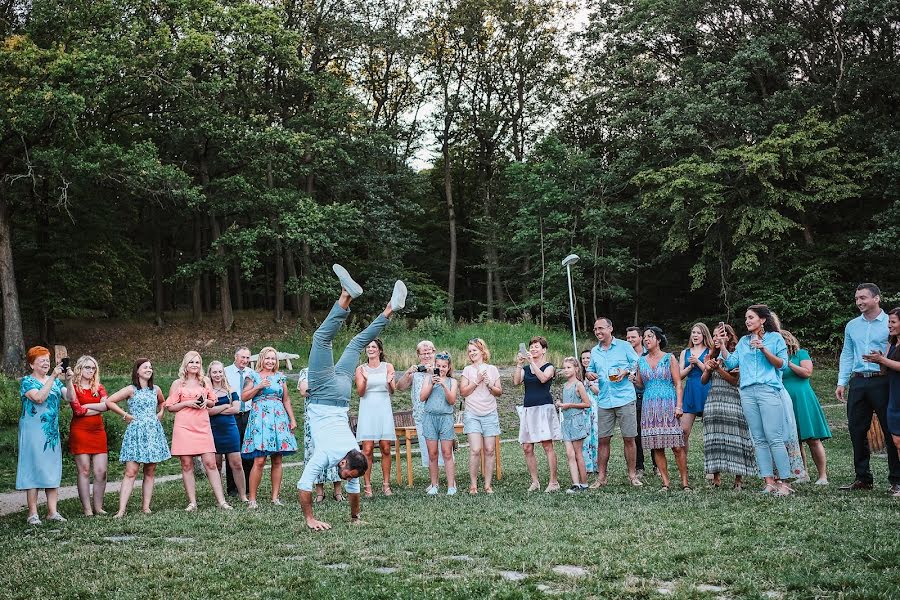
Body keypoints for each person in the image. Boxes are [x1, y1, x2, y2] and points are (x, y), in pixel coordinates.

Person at [297, 265, 406, 531]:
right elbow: (303, 485)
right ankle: (346, 297)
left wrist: (355, 516)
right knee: (321, 339)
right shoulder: (329, 456)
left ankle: (390, 308)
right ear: (347, 462)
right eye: (348, 475)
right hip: (325, 393)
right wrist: (309, 519)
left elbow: (354, 494)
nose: (347, 479)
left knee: (356, 344)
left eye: (349, 478)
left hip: (342, 395)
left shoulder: (354, 456)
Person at [715, 305, 794, 496]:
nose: (747, 321)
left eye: (751, 317)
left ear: (762, 320)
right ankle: (768, 482)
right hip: (747, 392)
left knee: (774, 437)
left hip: (768, 390)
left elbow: (782, 365)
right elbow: (732, 363)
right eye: (746, 318)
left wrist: (764, 349)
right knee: (758, 439)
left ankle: (783, 482)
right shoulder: (743, 341)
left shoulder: (775, 339)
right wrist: (723, 346)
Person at [835, 283, 900, 493]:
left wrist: (881, 361)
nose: (859, 302)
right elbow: (847, 354)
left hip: (883, 381)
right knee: (856, 430)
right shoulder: (852, 325)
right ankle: (863, 478)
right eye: (857, 299)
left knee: (890, 430)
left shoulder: (889, 324)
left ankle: (896, 479)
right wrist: (842, 381)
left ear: (876, 298)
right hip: (859, 380)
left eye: (863, 298)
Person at [17, 346, 85, 525]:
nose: (46, 363)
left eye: (48, 360)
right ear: (32, 364)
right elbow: (39, 398)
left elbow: (71, 398)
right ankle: (32, 513)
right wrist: (54, 377)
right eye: (41, 361)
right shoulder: (27, 381)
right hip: (32, 432)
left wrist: (68, 381)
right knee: (33, 468)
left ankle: (52, 511)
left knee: (51, 468)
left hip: (50, 433)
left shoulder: (55, 382)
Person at [166, 351, 232, 511]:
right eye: (191, 362)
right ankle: (192, 502)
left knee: (210, 462)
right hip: (184, 426)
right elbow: (170, 406)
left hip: (202, 425)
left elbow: (212, 401)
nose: (195, 365)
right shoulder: (178, 384)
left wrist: (206, 403)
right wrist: (187, 403)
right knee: (187, 464)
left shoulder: (205, 381)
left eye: (197, 362)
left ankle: (222, 501)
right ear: (185, 365)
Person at [105, 358, 171, 518]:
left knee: (150, 470)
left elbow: (163, 402)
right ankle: (121, 510)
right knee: (131, 471)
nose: (149, 369)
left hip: (153, 432)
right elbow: (109, 401)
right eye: (145, 367)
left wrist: (161, 413)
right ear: (137, 371)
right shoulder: (131, 389)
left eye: (150, 367)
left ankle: (146, 507)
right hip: (136, 432)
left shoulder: (156, 389)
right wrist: (125, 415)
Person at [585, 318, 641, 488]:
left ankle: (632, 475)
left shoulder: (624, 346)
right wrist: (589, 374)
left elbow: (636, 362)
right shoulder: (595, 351)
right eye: (595, 329)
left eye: (601, 328)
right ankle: (601, 478)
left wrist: (626, 371)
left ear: (610, 328)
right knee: (603, 439)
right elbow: (590, 370)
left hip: (625, 397)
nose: (597, 331)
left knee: (629, 438)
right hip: (604, 400)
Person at [242, 346, 298, 508]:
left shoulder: (280, 377)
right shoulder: (253, 375)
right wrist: (259, 387)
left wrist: (292, 419)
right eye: (267, 358)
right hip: (260, 420)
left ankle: (275, 497)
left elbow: (286, 399)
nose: (270, 361)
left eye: (273, 358)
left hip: (278, 419)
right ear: (261, 359)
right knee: (259, 460)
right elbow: (244, 396)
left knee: (277, 459)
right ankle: (252, 499)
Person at [701, 325, 756, 490]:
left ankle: (738, 479)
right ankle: (716, 478)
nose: (716, 338)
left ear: (728, 337)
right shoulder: (711, 354)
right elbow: (703, 381)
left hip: (732, 399)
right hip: (713, 399)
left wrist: (718, 368)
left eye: (719, 335)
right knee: (714, 438)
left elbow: (734, 381)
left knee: (735, 437)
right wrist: (708, 369)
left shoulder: (735, 355)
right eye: (714, 335)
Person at [636, 327, 689, 491]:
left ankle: (685, 482)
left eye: (650, 336)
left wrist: (679, 405)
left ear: (658, 339)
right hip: (649, 405)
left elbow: (678, 383)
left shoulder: (669, 358)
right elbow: (640, 383)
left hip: (668, 403)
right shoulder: (641, 361)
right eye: (644, 337)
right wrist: (631, 378)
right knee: (656, 445)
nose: (646, 339)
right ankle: (665, 482)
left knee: (677, 446)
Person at [781, 330, 831, 485]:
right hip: (786, 400)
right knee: (795, 440)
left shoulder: (801, 354)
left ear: (787, 341)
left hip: (803, 399)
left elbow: (807, 372)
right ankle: (803, 474)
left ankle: (822, 476)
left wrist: (788, 362)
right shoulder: (775, 359)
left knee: (812, 439)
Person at [513, 336, 561, 492]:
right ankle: (535, 481)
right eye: (531, 347)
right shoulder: (526, 368)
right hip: (529, 409)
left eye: (536, 347)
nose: (533, 349)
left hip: (544, 408)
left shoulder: (549, 366)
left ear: (544, 350)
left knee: (547, 445)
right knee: (527, 447)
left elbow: (543, 379)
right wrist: (520, 364)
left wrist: (531, 362)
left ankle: (554, 482)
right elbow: (515, 382)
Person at [66, 355, 111, 516]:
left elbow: (107, 406)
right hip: (80, 432)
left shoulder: (98, 387)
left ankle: (98, 507)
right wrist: (96, 408)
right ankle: (87, 509)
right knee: (84, 470)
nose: (91, 370)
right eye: (87, 367)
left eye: (93, 368)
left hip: (98, 432)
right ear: (79, 369)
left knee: (101, 472)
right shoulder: (74, 387)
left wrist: (87, 406)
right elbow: (77, 411)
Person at [864, 307, 900, 496]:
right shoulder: (892, 343)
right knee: (896, 440)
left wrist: (883, 361)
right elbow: (887, 370)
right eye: (889, 322)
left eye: (893, 322)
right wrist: (877, 360)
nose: (889, 326)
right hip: (893, 395)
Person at [355, 338, 397, 497]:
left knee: (386, 447)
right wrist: (365, 380)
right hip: (367, 408)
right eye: (368, 347)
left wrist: (389, 382)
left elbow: (392, 391)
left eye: (373, 347)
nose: (370, 349)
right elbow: (360, 393)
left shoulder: (388, 366)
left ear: (380, 350)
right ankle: (367, 486)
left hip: (383, 407)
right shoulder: (360, 369)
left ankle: (386, 485)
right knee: (367, 449)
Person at [460, 338, 502, 494]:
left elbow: (499, 392)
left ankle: (487, 485)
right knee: (475, 449)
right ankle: (473, 485)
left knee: (490, 450)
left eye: (474, 350)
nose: (471, 353)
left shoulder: (492, 369)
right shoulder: (467, 370)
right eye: (469, 351)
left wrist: (490, 383)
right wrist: (476, 381)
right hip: (472, 414)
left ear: (483, 351)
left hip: (490, 413)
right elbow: (463, 392)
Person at [297, 369, 344, 503]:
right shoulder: (306, 371)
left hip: (332, 417)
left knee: (335, 452)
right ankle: (319, 492)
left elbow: (339, 391)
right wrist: (325, 389)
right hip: (313, 420)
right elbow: (303, 391)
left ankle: (338, 491)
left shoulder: (333, 370)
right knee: (315, 453)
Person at [396, 340, 444, 469]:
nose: (427, 356)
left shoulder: (441, 367)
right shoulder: (416, 371)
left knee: (444, 448)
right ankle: (433, 479)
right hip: (421, 415)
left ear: (434, 352)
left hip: (439, 414)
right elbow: (400, 387)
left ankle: (448, 477)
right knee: (427, 449)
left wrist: (432, 372)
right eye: (424, 353)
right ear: (418, 355)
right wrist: (407, 373)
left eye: (429, 353)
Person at [207, 360, 247, 502]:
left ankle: (243, 495)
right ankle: (220, 496)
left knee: (236, 463)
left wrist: (217, 409)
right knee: (216, 464)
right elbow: (208, 412)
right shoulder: (207, 391)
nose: (217, 375)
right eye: (214, 372)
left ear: (223, 373)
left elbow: (236, 409)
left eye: (220, 372)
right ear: (210, 374)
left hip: (230, 430)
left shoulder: (231, 390)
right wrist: (225, 406)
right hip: (213, 431)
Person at [420, 351, 459, 495]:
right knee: (432, 453)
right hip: (430, 418)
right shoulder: (428, 379)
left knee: (447, 452)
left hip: (446, 418)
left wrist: (443, 385)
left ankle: (451, 486)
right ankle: (434, 485)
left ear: (448, 368)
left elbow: (452, 400)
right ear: (434, 366)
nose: (441, 369)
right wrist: (432, 384)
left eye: (444, 366)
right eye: (438, 366)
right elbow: (422, 397)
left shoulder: (452, 382)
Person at [556, 357, 592, 492]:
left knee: (578, 454)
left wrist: (570, 405)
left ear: (576, 369)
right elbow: (563, 401)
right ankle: (575, 483)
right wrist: (560, 403)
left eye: (569, 367)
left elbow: (587, 404)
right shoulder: (565, 386)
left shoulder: (579, 385)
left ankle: (584, 483)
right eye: (564, 367)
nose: (566, 370)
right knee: (569, 454)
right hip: (566, 422)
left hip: (577, 421)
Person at [224, 347, 255, 497]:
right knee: (233, 452)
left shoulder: (251, 373)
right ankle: (232, 488)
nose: (245, 360)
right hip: (232, 415)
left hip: (249, 414)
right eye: (242, 357)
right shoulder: (225, 372)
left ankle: (249, 487)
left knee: (248, 451)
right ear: (235, 357)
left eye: (247, 358)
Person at [678, 323, 713, 450]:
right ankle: (683, 464)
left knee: (710, 432)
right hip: (690, 390)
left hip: (707, 389)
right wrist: (690, 367)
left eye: (698, 333)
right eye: (693, 332)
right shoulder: (685, 352)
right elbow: (679, 375)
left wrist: (698, 362)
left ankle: (711, 467)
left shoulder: (711, 351)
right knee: (683, 432)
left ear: (704, 335)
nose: (695, 335)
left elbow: (710, 372)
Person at [624, 326, 647, 475]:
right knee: (636, 433)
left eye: (633, 337)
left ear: (640, 338)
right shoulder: (624, 355)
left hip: (648, 395)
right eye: (628, 338)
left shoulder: (648, 353)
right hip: (632, 396)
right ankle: (639, 466)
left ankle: (656, 465)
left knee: (652, 430)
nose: (630, 340)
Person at [579, 349, 598, 476]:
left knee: (595, 435)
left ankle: (597, 464)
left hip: (596, 407)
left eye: (588, 358)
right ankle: (587, 466)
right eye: (583, 358)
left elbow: (598, 391)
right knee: (585, 437)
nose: (585, 360)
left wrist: (589, 383)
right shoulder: (579, 375)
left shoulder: (597, 374)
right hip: (583, 409)